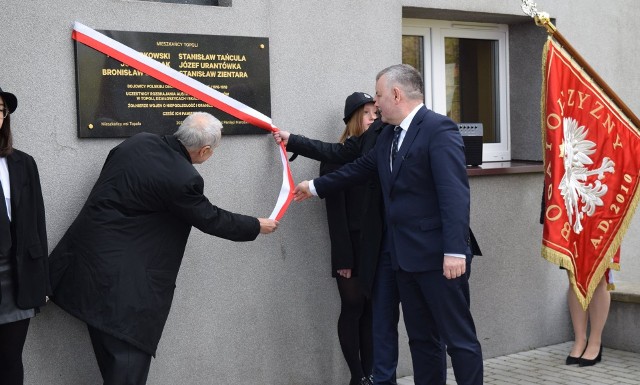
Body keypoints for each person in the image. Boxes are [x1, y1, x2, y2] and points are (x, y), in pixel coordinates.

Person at [48, 112, 278, 385]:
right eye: (213, 151)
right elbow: (210, 218)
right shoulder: (183, 178)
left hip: (84, 269)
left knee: (112, 366)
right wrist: (256, 225)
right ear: (204, 150)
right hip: (123, 294)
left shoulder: (137, 142)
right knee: (126, 373)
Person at [294, 64, 483, 385]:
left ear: (396, 94)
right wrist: (313, 187)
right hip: (403, 258)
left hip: (440, 257)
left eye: (379, 96)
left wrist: (454, 250)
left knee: (459, 340)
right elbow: (360, 168)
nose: (377, 103)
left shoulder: (439, 130)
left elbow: (454, 195)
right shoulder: (387, 135)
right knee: (422, 339)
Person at [313, 92, 377, 385]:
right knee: (353, 309)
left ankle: (373, 373)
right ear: (354, 119)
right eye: (367, 114)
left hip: (375, 248)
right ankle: (357, 375)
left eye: (376, 113)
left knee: (373, 312)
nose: (374, 118)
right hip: (350, 250)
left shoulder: (376, 154)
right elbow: (335, 218)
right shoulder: (336, 160)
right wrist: (343, 260)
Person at [0, 86, 50, 385]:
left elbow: (36, 224)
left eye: (0, 110)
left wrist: (41, 278)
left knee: (9, 360)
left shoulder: (23, 164)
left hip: (16, 276)